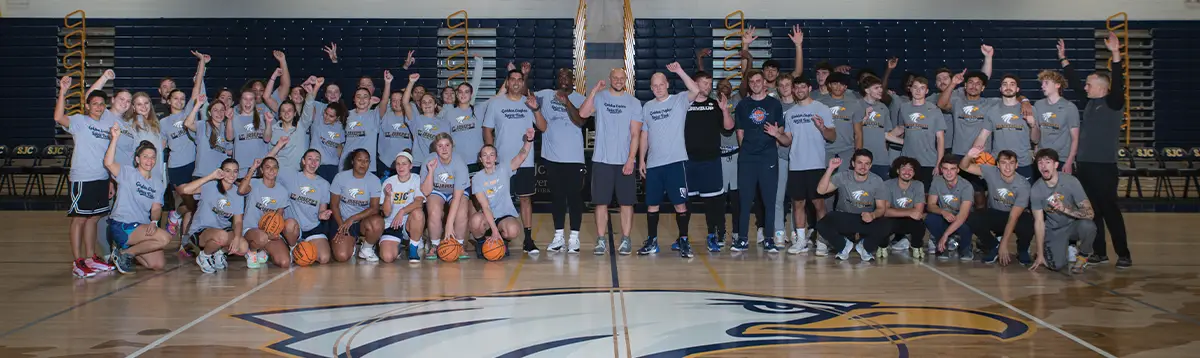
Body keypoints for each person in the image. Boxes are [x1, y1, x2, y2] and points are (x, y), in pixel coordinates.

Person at [1059, 34, 1131, 268]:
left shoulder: (1113, 102)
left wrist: (1116, 54)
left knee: (1109, 210)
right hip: (1085, 166)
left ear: (1102, 87)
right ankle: (1100, 252)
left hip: (1104, 167)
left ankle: (1124, 254)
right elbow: (1077, 84)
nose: (1085, 87)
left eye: (1090, 84)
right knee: (1092, 211)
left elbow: (1118, 81)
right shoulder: (1090, 102)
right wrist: (1064, 60)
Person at [636, 62, 702, 257]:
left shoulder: (679, 100)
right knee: (652, 204)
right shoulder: (647, 107)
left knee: (680, 204)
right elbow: (644, 135)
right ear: (651, 88)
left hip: (675, 162)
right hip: (654, 164)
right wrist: (642, 160)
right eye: (654, 86)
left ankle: (683, 240)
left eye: (661, 84)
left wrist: (680, 71)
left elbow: (696, 89)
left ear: (667, 84)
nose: (658, 88)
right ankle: (652, 241)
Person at [55, 76, 117, 277]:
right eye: (95, 104)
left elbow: (106, 154)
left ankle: (91, 257)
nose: (98, 107)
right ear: (87, 105)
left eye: (101, 104)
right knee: (79, 218)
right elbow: (58, 117)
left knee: (93, 218)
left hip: (101, 178)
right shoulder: (79, 121)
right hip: (83, 178)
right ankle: (78, 261)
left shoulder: (106, 127)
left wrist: (109, 180)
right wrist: (63, 92)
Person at [577, 69, 642, 255]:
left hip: (624, 161)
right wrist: (593, 91)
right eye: (615, 78)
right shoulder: (600, 97)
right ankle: (600, 240)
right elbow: (582, 113)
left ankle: (626, 239)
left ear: (626, 80)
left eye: (622, 78)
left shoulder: (634, 103)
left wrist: (631, 159)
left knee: (627, 203)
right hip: (602, 160)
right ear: (610, 79)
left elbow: (636, 134)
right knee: (600, 202)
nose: (619, 81)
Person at [483, 68, 548, 253]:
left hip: (524, 161)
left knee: (525, 199)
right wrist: (490, 155)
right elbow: (487, 129)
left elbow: (543, 127)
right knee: (499, 200)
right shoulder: (495, 103)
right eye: (513, 79)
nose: (517, 82)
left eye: (520, 79)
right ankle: (497, 238)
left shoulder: (530, 103)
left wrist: (535, 110)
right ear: (508, 82)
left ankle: (528, 240)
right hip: (502, 161)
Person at [778, 75, 835, 255]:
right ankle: (801, 241)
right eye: (797, 87)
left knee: (819, 204)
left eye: (803, 87)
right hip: (796, 165)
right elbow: (787, 140)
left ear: (809, 88)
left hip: (816, 164)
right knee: (798, 204)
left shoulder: (822, 109)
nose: (800, 90)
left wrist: (822, 128)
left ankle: (823, 241)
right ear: (794, 90)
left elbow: (832, 136)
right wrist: (776, 135)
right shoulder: (791, 113)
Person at [102, 127, 170, 273]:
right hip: (123, 225)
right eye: (145, 156)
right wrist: (114, 138)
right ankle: (125, 254)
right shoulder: (127, 172)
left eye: (152, 157)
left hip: (141, 227)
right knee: (164, 238)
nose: (149, 160)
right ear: (137, 159)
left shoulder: (158, 182)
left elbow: (156, 208)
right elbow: (108, 163)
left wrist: (154, 221)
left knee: (158, 264)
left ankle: (122, 251)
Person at [731, 69, 785, 253]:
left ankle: (769, 239)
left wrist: (773, 140)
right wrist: (747, 150)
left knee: (769, 200)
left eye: (758, 81)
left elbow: (781, 131)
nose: (755, 84)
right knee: (745, 200)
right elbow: (740, 132)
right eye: (752, 81)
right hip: (747, 158)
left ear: (764, 83)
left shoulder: (774, 105)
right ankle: (743, 239)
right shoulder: (742, 105)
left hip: (768, 157)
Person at [682, 71, 735, 253]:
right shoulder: (683, 104)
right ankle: (682, 237)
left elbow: (729, 128)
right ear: (694, 84)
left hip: (710, 161)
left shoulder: (715, 105)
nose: (707, 87)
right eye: (703, 83)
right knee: (684, 202)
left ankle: (715, 234)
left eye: (709, 83)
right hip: (687, 161)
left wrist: (725, 110)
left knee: (713, 202)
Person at [535, 68, 587, 253]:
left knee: (574, 198)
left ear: (573, 80)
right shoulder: (546, 95)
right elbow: (526, 96)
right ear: (557, 79)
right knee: (556, 198)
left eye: (567, 77)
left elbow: (580, 121)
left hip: (574, 159)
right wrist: (523, 75)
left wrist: (567, 103)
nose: (564, 79)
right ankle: (558, 237)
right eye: (561, 76)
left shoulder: (581, 98)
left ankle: (574, 238)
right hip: (552, 157)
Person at [961, 148, 1035, 265]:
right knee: (972, 218)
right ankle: (993, 246)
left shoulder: (1023, 185)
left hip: (1015, 216)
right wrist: (968, 156)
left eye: (1011, 163)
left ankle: (1023, 250)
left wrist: (1004, 245)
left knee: (1028, 222)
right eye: (1003, 163)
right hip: (995, 213)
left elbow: (1013, 217)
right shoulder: (991, 171)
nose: (1007, 167)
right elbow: (964, 167)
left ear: (1016, 165)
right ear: (998, 165)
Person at [471, 129, 536, 259]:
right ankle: (481, 242)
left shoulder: (504, 169)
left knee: (513, 230)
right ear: (480, 159)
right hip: (487, 217)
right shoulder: (477, 178)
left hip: (504, 216)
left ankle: (503, 241)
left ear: (496, 158)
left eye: (491, 155)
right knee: (475, 221)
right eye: (484, 155)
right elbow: (485, 206)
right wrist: (494, 230)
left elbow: (521, 156)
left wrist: (529, 140)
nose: (488, 158)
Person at [813, 149, 888, 261]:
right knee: (822, 224)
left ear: (871, 165)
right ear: (853, 163)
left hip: (865, 218)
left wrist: (872, 215)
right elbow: (821, 190)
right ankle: (844, 245)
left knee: (886, 224)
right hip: (845, 217)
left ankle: (864, 247)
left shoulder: (877, 181)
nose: (863, 166)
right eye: (859, 163)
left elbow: (881, 208)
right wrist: (831, 169)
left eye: (867, 163)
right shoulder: (843, 176)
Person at [1030, 148, 1097, 274]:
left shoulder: (1071, 181)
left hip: (1072, 226)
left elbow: (1090, 213)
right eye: (1040, 162)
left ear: (1056, 165)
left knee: (1088, 226)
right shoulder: (1036, 189)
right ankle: (1054, 249)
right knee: (1056, 266)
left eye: (1047, 162)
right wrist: (1039, 253)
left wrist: (1065, 209)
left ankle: (1083, 256)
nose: (1043, 165)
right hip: (1054, 230)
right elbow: (1039, 222)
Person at [179, 158, 244, 274]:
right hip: (201, 231)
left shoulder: (237, 193)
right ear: (221, 172)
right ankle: (204, 256)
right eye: (228, 171)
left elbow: (238, 221)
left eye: (235, 171)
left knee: (243, 246)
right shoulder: (210, 186)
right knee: (222, 236)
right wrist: (211, 176)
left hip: (222, 230)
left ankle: (219, 253)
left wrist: (237, 238)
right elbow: (185, 190)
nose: (232, 175)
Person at [970, 75, 1041, 179]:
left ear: (1017, 89)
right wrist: (972, 156)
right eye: (1005, 84)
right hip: (999, 163)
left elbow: (1036, 140)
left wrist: (1033, 125)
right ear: (1000, 89)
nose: (1008, 87)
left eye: (1012, 84)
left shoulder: (1030, 110)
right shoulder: (992, 111)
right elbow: (982, 136)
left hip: (1022, 162)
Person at [236, 140, 290, 268]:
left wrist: (275, 232)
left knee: (284, 262)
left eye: (274, 167)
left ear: (277, 170)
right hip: (250, 229)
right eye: (267, 167)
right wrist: (252, 169)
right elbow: (241, 190)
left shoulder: (282, 190)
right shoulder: (254, 184)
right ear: (261, 170)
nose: (271, 170)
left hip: (269, 231)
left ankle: (263, 250)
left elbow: (279, 216)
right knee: (261, 238)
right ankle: (252, 251)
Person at [885, 76, 946, 189]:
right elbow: (901, 128)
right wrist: (884, 135)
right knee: (907, 194)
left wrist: (938, 164)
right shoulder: (904, 108)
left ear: (927, 91)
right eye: (915, 87)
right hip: (908, 160)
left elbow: (940, 139)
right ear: (910, 89)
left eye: (922, 88)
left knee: (926, 195)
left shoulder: (934, 110)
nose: (918, 91)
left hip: (928, 161)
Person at [421, 133, 471, 259]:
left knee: (461, 212)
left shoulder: (459, 163)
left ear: (452, 146)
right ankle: (435, 245)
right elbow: (426, 192)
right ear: (435, 148)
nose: (444, 149)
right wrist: (431, 171)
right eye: (440, 146)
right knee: (434, 212)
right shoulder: (429, 160)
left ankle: (459, 245)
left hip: (456, 191)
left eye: (447, 145)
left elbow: (457, 197)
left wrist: (449, 224)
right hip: (437, 190)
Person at [329, 149, 384, 262]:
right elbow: (334, 205)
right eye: (359, 160)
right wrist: (342, 226)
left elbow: (374, 208)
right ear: (353, 161)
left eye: (366, 161)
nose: (363, 163)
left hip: (362, 221)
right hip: (342, 220)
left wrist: (352, 219)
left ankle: (366, 248)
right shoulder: (340, 177)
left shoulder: (374, 180)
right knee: (342, 256)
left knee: (377, 222)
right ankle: (351, 244)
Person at [282, 149, 334, 265]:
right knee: (289, 224)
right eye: (310, 159)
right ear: (303, 161)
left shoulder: (324, 184)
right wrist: (279, 145)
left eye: (317, 160)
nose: (313, 163)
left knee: (324, 258)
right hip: (294, 228)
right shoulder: (291, 177)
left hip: (312, 227)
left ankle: (305, 245)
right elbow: (268, 163)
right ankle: (293, 247)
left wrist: (322, 215)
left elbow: (322, 209)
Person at [380, 151, 426, 263]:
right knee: (387, 257)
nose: (401, 167)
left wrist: (402, 211)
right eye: (398, 164)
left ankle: (413, 247)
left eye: (404, 164)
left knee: (418, 213)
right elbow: (386, 213)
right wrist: (387, 196)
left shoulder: (417, 179)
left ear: (411, 166)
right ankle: (398, 246)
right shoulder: (388, 182)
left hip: (409, 223)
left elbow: (419, 202)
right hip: (392, 224)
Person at [1033, 69, 1080, 179]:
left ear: (1058, 85)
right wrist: (1036, 148)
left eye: (1046, 83)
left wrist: (1069, 162)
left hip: (1061, 158)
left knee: (1060, 194)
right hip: (1042, 158)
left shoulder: (1069, 107)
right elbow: (1038, 131)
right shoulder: (1038, 105)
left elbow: (1075, 138)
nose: (1042, 86)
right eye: (1042, 83)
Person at [925, 156, 974, 260]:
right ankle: (942, 245)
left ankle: (966, 246)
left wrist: (946, 235)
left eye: (952, 169)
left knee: (970, 222)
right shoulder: (937, 181)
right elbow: (930, 205)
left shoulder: (966, 186)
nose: (949, 172)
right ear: (941, 170)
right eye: (945, 169)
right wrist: (943, 212)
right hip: (946, 216)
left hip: (962, 218)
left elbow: (963, 215)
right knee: (930, 219)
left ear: (958, 170)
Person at [881, 156, 928, 259]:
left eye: (911, 169)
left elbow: (918, 211)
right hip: (892, 220)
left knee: (919, 223)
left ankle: (916, 246)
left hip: (909, 220)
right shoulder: (887, 185)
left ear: (915, 172)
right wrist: (909, 212)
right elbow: (885, 211)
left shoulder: (918, 185)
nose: (907, 172)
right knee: (882, 222)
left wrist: (908, 213)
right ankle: (882, 246)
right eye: (904, 168)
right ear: (898, 170)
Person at [856, 75, 894, 180]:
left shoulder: (883, 108)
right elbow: (851, 131)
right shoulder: (856, 105)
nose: (881, 90)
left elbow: (886, 134)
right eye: (876, 88)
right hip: (862, 159)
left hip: (881, 159)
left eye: (881, 87)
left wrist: (905, 141)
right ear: (867, 90)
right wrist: (865, 118)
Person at [228, 89, 273, 176]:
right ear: (240, 101)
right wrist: (229, 120)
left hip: (260, 168)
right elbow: (229, 137)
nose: (248, 102)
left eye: (251, 99)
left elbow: (267, 139)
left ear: (255, 102)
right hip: (241, 168)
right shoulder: (234, 118)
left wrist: (268, 123)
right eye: (245, 99)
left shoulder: (263, 117)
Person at [311, 102, 347, 182]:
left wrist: (341, 169)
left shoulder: (340, 127)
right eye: (326, 113)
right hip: (317, 165)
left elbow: (339, 149)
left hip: (333, 167)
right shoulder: (317, 121)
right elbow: (309, 104)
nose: (326, 117)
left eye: (331, 116)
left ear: (337, 118)